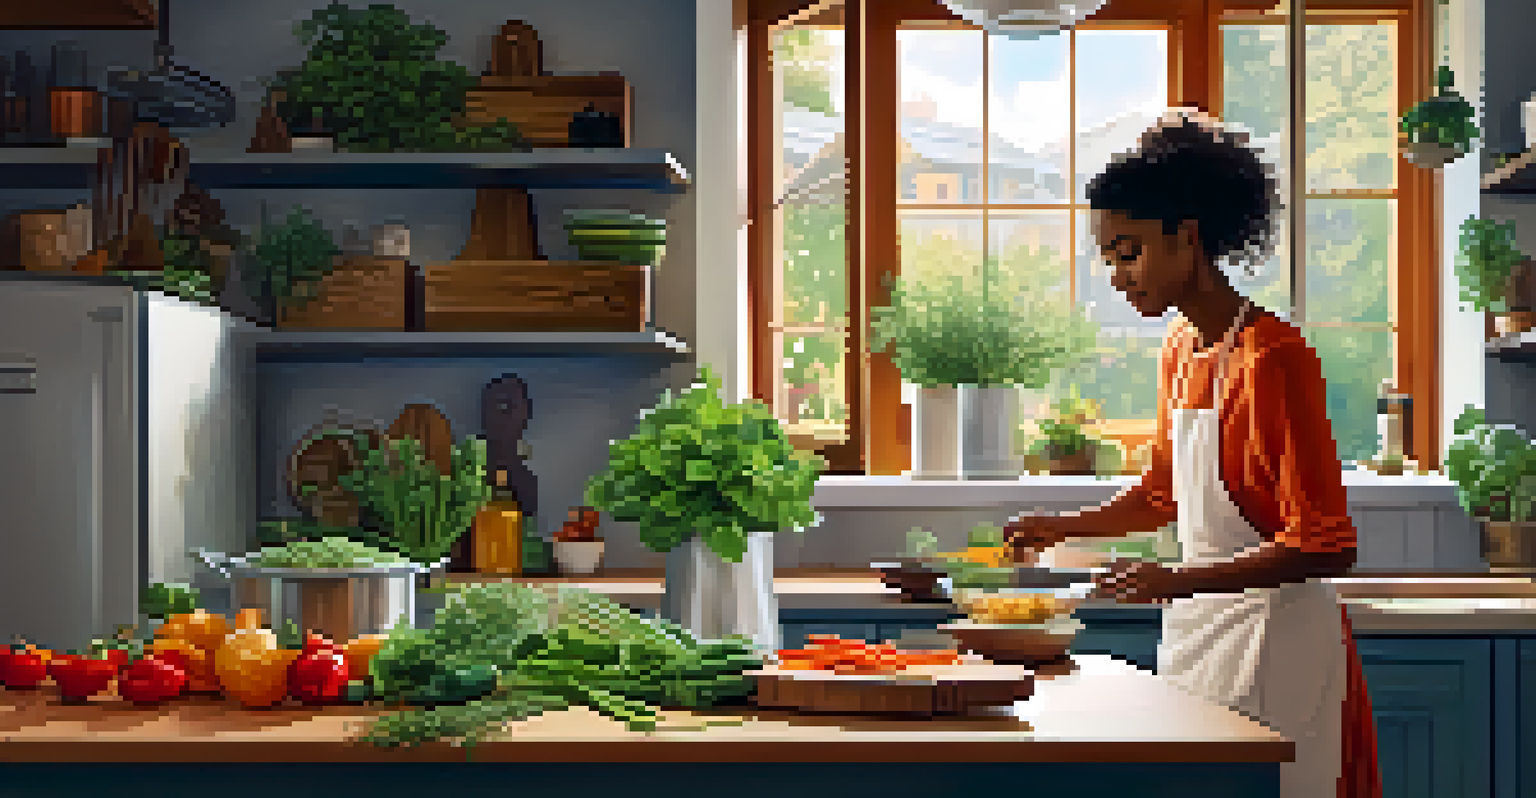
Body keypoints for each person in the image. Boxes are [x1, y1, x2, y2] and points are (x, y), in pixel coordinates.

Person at [1004, 109, 1381, 798]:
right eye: (1109, 258)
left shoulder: (1276, 358)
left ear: (1188, 235)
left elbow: (1326, 544)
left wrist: (1173, 580)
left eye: (1129, 251)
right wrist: (1063, 526)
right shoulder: (1181, 349)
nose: (1118, 275)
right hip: (1201, 630)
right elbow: (1161, 494)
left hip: (1278, 637)